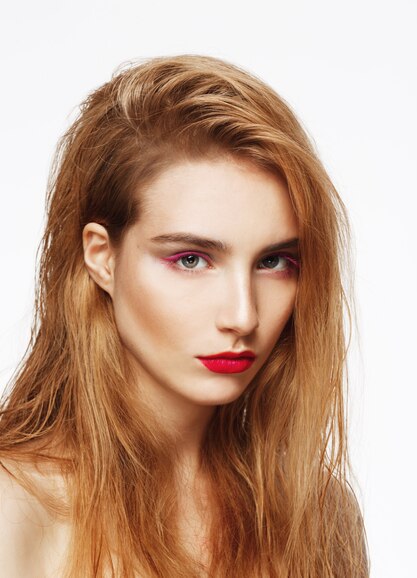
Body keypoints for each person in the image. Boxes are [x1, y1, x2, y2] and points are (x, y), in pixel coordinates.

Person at [0, 55, 368, 577]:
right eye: (191, 260)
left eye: (273, 262)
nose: (242, 316)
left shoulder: (319, 516)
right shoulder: (15, 509)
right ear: (102, 257)